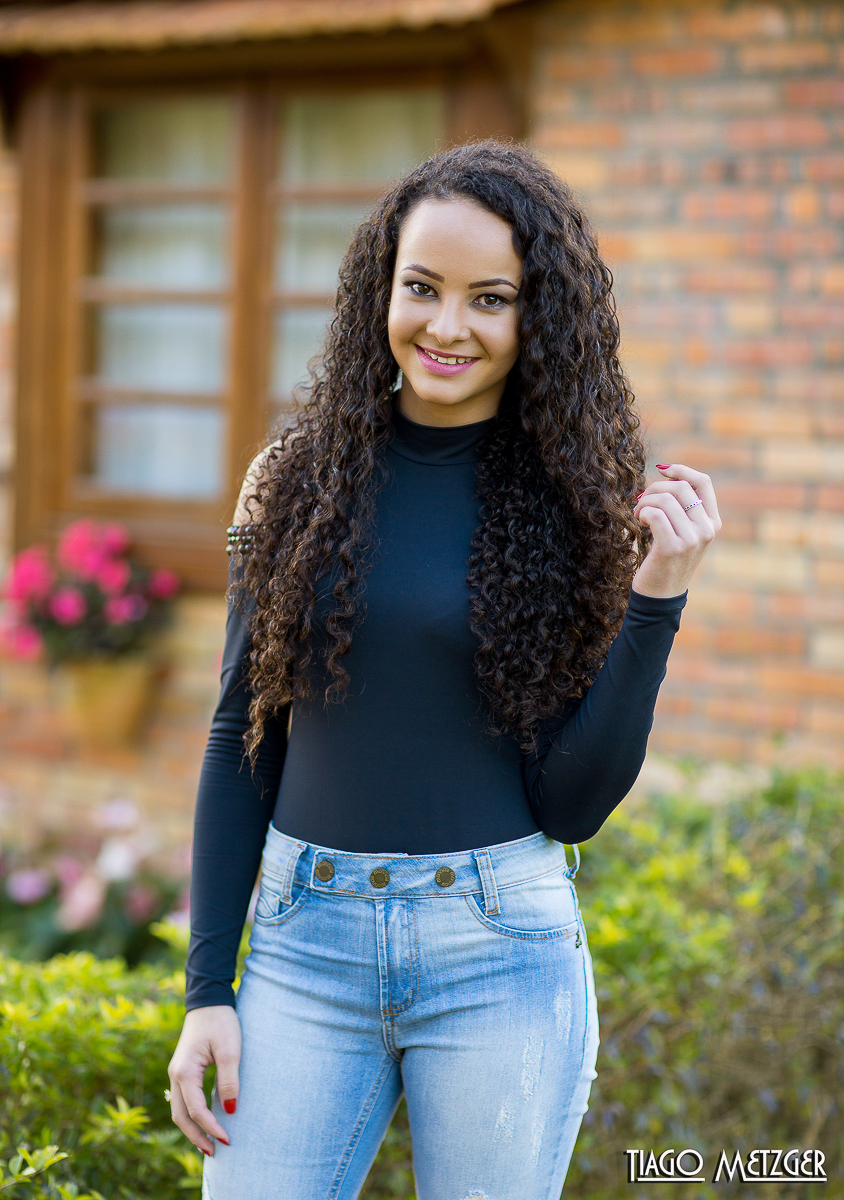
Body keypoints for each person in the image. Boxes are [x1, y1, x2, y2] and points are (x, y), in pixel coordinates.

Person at [167, 140, 721, 1199]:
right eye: (421, 288)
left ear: (534, 318)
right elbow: (240, 737)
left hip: (499, 950)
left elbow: (572, 804)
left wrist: (657, 599)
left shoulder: (576, 506)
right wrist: (207, 991)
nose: (447, 325)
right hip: (300, 949)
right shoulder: (285, 481)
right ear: (382, 288)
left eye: (490, 299)